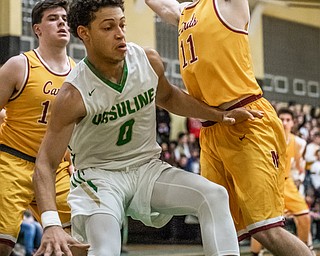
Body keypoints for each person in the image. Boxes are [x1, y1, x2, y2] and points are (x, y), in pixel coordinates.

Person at [32, 1, 265, 255]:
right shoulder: (72, 94)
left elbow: (170, 97)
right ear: (84, 33)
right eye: (108, 27)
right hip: (99, 177)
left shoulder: (147, 60)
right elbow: (45, 163)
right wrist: (51, 223)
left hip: (147, 168)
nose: (120, 33)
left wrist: (220, 115)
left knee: (214, 195)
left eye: (122, 24)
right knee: (106, 247)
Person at [145, 0, 313, 255]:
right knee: (216, 222)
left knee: (267, 232)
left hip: (247, 121)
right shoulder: (184, 12)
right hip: (211, 128)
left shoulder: (227, 4)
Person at [0, 1, 75, 255]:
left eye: (64, 18)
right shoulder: (18, 65)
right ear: (37, 29)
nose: (62, 22)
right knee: (3, 243)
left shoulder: (80, 73)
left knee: (75, 240)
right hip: (13, 160)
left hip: (57, 168)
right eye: (53, 18)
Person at [250, 108, 314, 255]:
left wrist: (300, 178)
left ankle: (305, 249)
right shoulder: (267, 136)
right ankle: (255, 253)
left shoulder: (298, 142)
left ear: (293, 123)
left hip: (287, 182)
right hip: (269, 183)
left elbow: (299, 166)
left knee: (304, 216)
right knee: (263, 224)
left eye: (288, 120)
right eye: (282, 119)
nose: (284, 122)